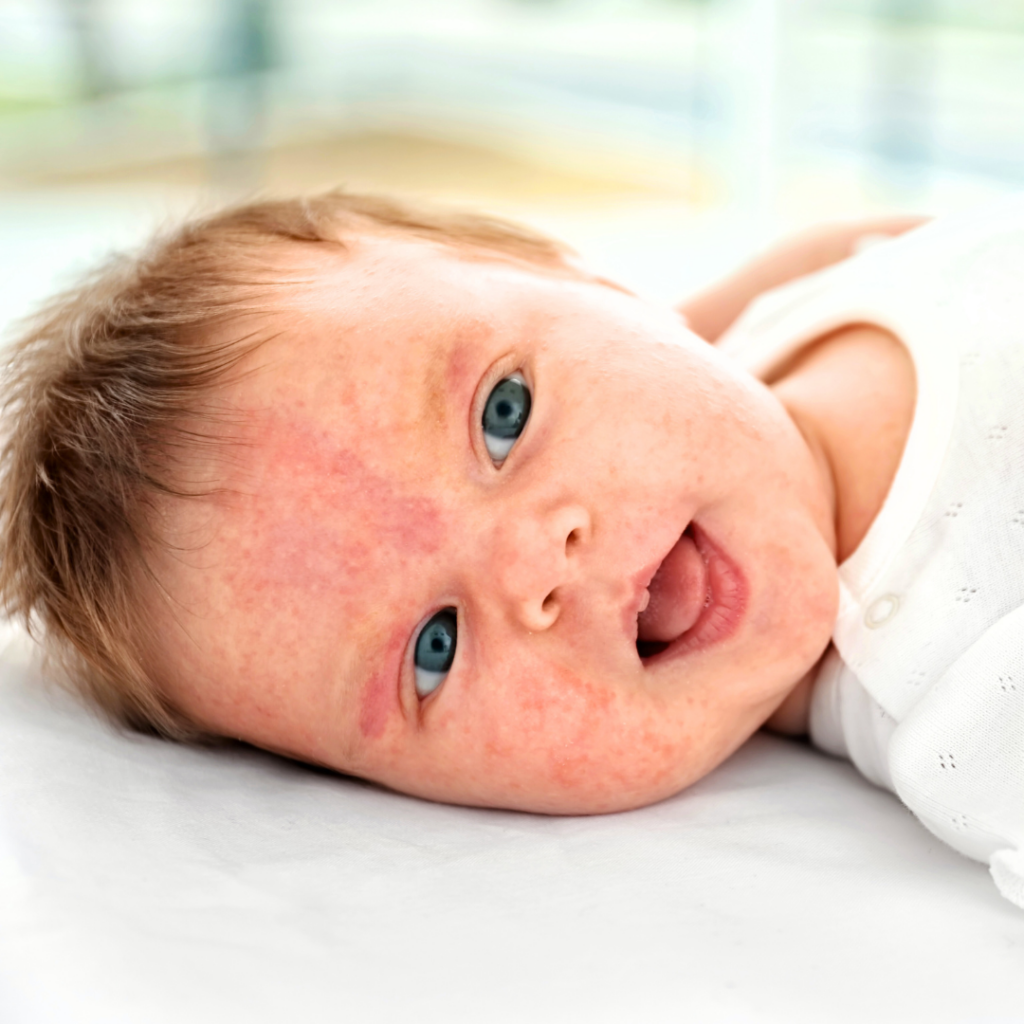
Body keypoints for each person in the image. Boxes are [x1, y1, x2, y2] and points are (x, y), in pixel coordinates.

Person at [1, 190, 1020, 909]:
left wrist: (680, 326)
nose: (535, 562)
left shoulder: (776, 318)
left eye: (503, 411)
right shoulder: (967, 712)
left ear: (587, 277)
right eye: (431, 650)